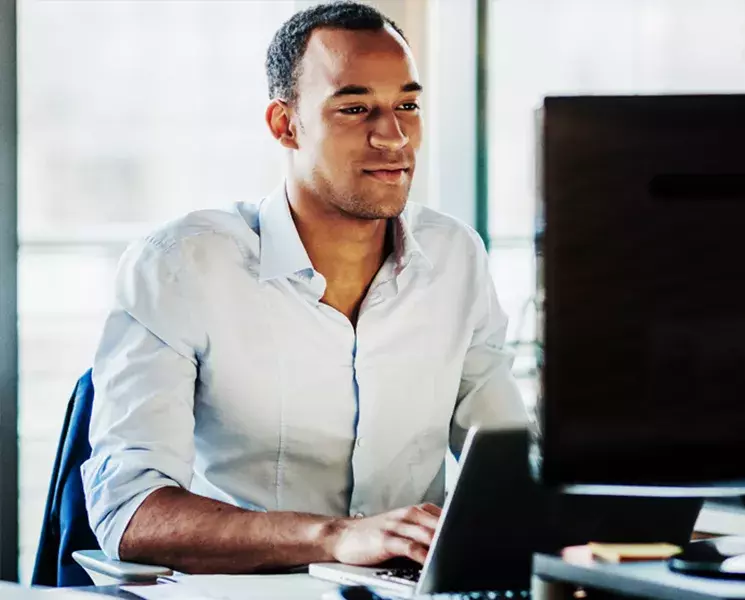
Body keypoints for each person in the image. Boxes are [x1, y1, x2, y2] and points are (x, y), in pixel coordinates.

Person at [81, 1, 527, 575]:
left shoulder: (455, 256)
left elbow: (512, 462)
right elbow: (130, 513)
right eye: (355, 108)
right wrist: (336, 537)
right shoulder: (182, 264)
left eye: (407, 106)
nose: (393, 136)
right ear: (285, 124)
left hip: (411, 590)